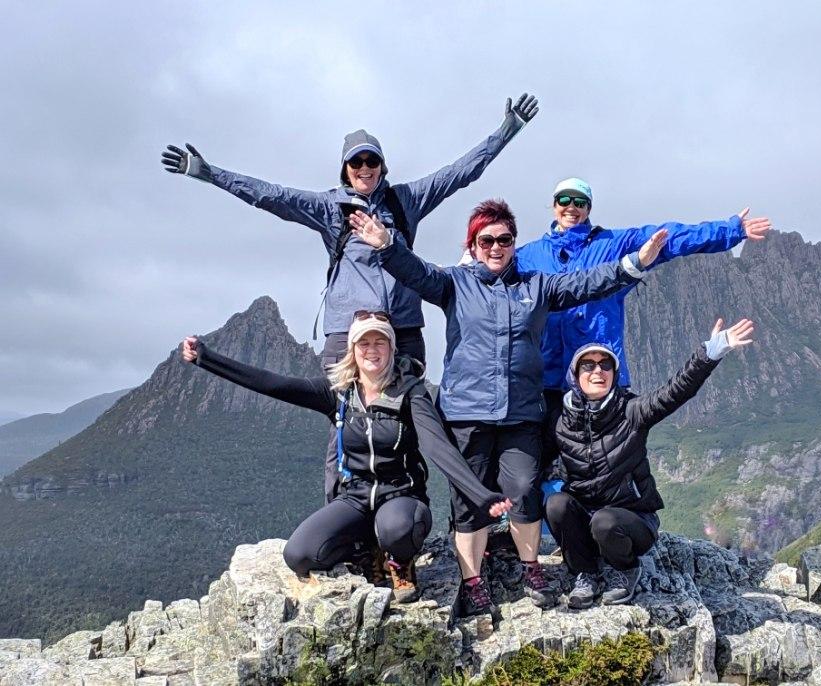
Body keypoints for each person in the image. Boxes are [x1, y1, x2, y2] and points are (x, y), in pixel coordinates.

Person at [162, 93, 539, 503]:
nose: (364, 169)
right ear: (345, 169)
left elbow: (461, 172)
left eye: (371, 161)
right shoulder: (329, 208)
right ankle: (342, 523)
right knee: (342, 420)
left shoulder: (404, 201)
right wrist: (209, 173)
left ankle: (406, 522)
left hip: (402, 329)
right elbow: (269, 195)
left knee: (409, 420)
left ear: (382, 167)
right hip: (348, 332)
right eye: (356, 162)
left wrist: (506, 132)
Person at [350, 199, 669, 616]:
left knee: (524, 491)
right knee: (469, 501)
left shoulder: (537, 286)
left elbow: (590, 282)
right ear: (474, 244)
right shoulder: (454, 284)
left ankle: (531, 567)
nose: (496, 247)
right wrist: (387, 244)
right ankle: (473, 580)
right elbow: (416, 271)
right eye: (487, 240)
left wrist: (634, 263)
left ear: (514, 244)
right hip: (467, 413)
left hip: (521, 414)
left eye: (504, 239)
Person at [179, 312, 511, 603]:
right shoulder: (339, 393)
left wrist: (481, 496)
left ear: (392, 348)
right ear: (353, 350)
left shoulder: (410, 393)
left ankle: (398, 562)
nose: (372, 350)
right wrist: (206, 358)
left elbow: (439, 448)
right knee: (300, 555)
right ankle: (365, 552)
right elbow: (272, 384)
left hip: (401, 497)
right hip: (355, 498)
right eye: (363, 343)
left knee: (398, 529)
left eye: (379, 342)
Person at [514, 178, 770, 472]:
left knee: (604, 467)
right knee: (538, 469)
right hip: (544, 382)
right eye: (565, 200)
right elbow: (492, 271)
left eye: (580, 202)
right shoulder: (528, 256)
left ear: (589, 208)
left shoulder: (611, 245)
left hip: (601, 378)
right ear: (554, 205)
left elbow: (668, 238)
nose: (572, 208)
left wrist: (731, 230)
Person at [545, 318, 755, 609]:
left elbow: (675, 392)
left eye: (606, 365)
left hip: (631, 522)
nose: (598, 371)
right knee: (556, 504)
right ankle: (586, 572)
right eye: (589, 365)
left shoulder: (631, 412)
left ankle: (625, 569)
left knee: (604, 521)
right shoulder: (560, 421)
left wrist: (710, 352)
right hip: (587, 518)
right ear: (575, 375)